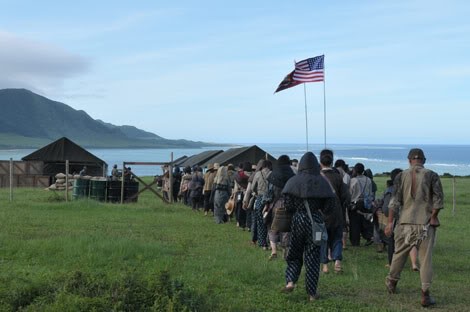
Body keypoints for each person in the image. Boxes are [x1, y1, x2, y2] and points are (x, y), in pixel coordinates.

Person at [385, 148, 444, 307]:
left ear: (409, 160)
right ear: (423, 160)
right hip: (424, 224)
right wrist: (433, 217)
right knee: (425, 260)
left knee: (399, 254)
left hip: (404, 223)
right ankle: (425, 294)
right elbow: (438, 201)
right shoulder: (432, 175)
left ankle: (392, 282)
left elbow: (394, 203)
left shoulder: (400, 176)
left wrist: (390, 223)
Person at [281, 152, 335, 301]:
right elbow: (330, 205)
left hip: (298, 219)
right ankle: (312, 293)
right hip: (315, 221)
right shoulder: (322, 182)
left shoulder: (293, 181)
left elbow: (287, 204)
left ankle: (290, 281)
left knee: (294, 252)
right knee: (312, 256)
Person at [319, 149, 349, 274]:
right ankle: (337, 262)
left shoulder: (317, 177)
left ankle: (325, 265)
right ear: (332, 162)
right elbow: (346, 196)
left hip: (321, 214)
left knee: (321, 239)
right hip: (337, 213)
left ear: (320, 161)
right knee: (337, 238)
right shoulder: (338, 177)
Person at [263, 155, 295, 260]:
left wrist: (266, 204)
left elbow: (268, 192)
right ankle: (286, 251)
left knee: (272, 227)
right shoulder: (292, 175)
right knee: (287, 228)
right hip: (289, 204)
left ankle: (274, 250)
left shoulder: (272, 175)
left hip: (275, 204)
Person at [348, 163, 374, 246]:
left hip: (355, 203)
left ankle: (355, 241)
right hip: (366, 203)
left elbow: (350, 193)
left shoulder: (353, 180)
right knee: (365, 221)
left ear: (355, 170)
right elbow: (370, 192)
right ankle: (369, 236)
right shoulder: (368, 180)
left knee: (355, 223)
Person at [250, 159, 272, 249]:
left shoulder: (257, 174)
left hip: (260, 198)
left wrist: (257, 193)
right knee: (270, 223)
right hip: (270, 200)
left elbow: (252, 187)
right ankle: (271, 242)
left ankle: (263, 243)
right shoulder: (272, 173)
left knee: (260, 222)